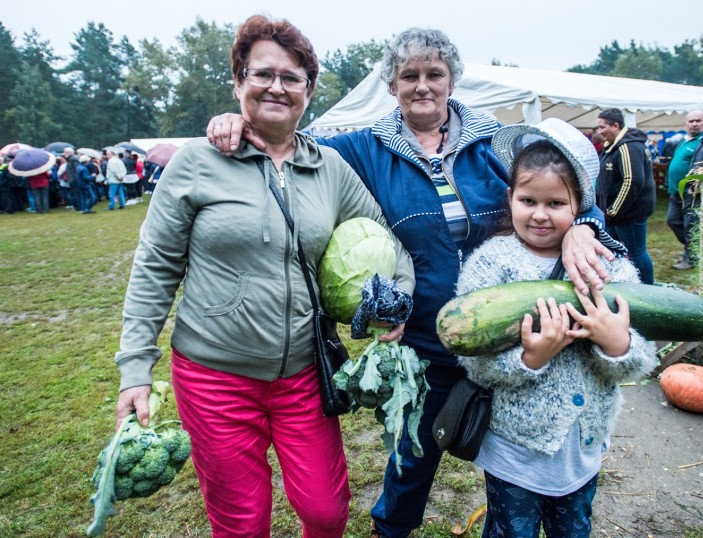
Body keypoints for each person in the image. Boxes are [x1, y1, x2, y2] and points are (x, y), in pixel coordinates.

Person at [207, 27, 617, 538]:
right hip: (423, 337)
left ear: (451, 81)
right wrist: (239, 120)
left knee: (520, 458)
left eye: (434, 74)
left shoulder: (493, 142)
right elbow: (291, 145)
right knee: (414, 455)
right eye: (409, 76)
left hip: (515, 337)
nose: (422, 85)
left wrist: (585, 226)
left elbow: (563, 186)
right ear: (392, 84)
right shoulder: (365, 148)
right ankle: (391, 530)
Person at [113, 15, 414, 538]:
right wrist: (136, 368)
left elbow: (386, 239)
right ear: (238, 82)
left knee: (325, 511)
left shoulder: (332, 169)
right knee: (241, 523)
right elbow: (155, 267)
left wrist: (397, 297)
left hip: (303, 372)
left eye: (292, 77)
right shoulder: (197, 163)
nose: (277, 85)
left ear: (308, 90)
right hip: (214, 378)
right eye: (262, 73)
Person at [458, 119, 657, 537]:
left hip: (582, 451)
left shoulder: (609, 266)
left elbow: (642, 357)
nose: (540, 215)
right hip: (513, 450)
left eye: (556, 203)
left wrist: (617, 343)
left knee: (574, 530)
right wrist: (530, 358)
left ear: (579, 206)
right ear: (510, 198)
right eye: (528, 200)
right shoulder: (490, 265)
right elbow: (472, 360)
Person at [595, 108, 656, 284]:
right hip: (614, 215)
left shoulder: (628, 146)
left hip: (628, 214)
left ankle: (647, 291)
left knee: (636, 252)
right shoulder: (613, 147)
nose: (600, 132)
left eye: (602, 127)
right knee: (614, 251)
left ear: (616, 125)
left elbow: (632, 181)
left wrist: (614, 210)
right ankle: (622, 282)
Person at [664, 110, 703, 270]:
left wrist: (699, 184)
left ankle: (692, 258)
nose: (694, 124)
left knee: (690, 224)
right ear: (685, 124)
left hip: (693, 192)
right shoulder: (684, 140)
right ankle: (693, 249)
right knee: (672, 221)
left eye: (698, 120)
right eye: (691, 121)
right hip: (676, 191)